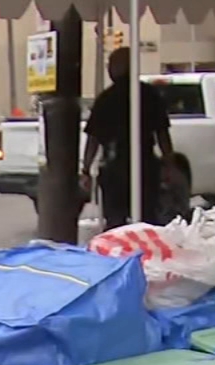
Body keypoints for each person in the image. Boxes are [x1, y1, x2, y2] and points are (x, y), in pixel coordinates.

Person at [80, 47, 178, 230]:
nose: (109, 69)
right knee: (147, 218)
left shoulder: (106, 98)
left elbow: (92, 138)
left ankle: (119, 252)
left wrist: (86, 169)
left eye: (112, 65)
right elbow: (162, 134)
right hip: (145, 163)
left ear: (122, 67)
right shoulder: (149, 94)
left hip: (114, 165)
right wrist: (169, 164)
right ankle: (145, 252)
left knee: (115, 221)